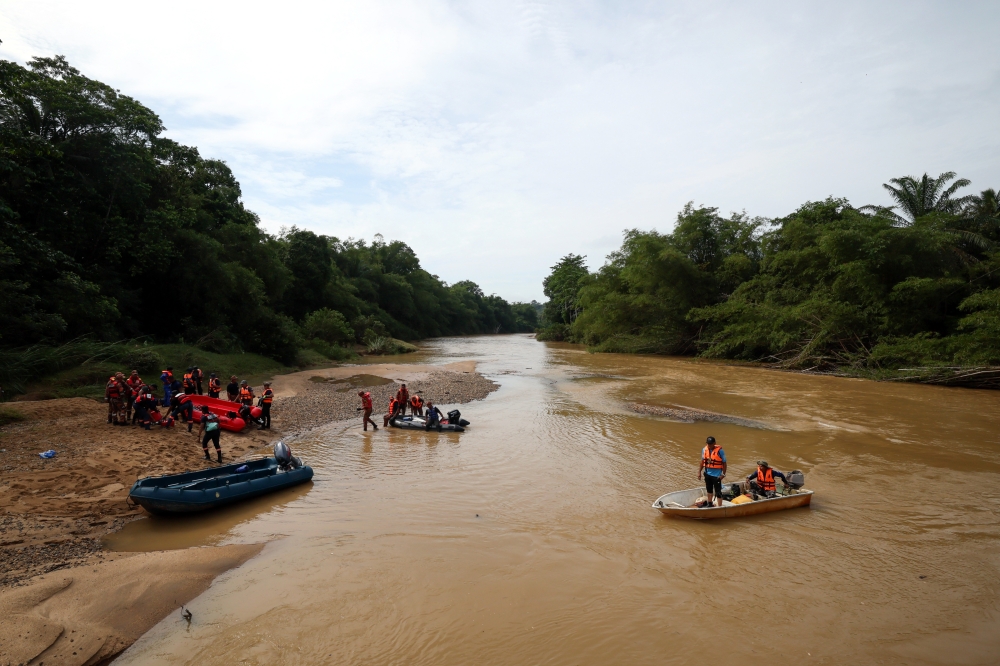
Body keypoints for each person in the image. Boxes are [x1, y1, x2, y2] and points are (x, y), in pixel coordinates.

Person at [697, 436, 727, 508]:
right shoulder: (704, 450)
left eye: (711, 444)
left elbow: (724, 463)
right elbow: (702, 462)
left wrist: (723, 474)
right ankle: (709, 504)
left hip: (717, 476)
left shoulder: (720, 451)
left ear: (714, 443)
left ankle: (720, 507)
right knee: (709, 490)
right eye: (708, 444)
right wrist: (699, 472)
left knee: (718, 492)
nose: (709, 445)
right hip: (707, 474)